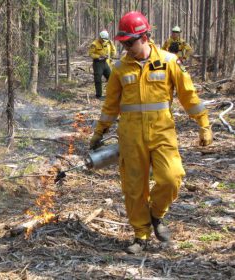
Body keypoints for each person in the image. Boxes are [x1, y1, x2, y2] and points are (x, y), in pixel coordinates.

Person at [90, 11, 213, 254]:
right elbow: (110, 106)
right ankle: (141, 234)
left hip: (162, 132)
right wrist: (99, 132)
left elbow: (189, 97)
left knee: (172, 177)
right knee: (134, 188)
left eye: (130, 42)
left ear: (145, 37)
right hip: (130, 136)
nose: (126, 48)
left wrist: (204, 124)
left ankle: (156, 214)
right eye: (123, 43)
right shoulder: (119, 68)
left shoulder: (169, 61)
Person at [89, 30, 117, 99]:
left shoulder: (108, 42)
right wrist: (99, 57)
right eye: (102, 39)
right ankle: (99, 95)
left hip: (106, 63)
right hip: (98, 63)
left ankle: (113, 94)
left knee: (111, 78)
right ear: (100, 37)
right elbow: (91, 54)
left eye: (105, 40)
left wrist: (112, 46)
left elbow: (114, 52)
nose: (104, 41)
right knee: (98, 79)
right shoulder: (94, 44)